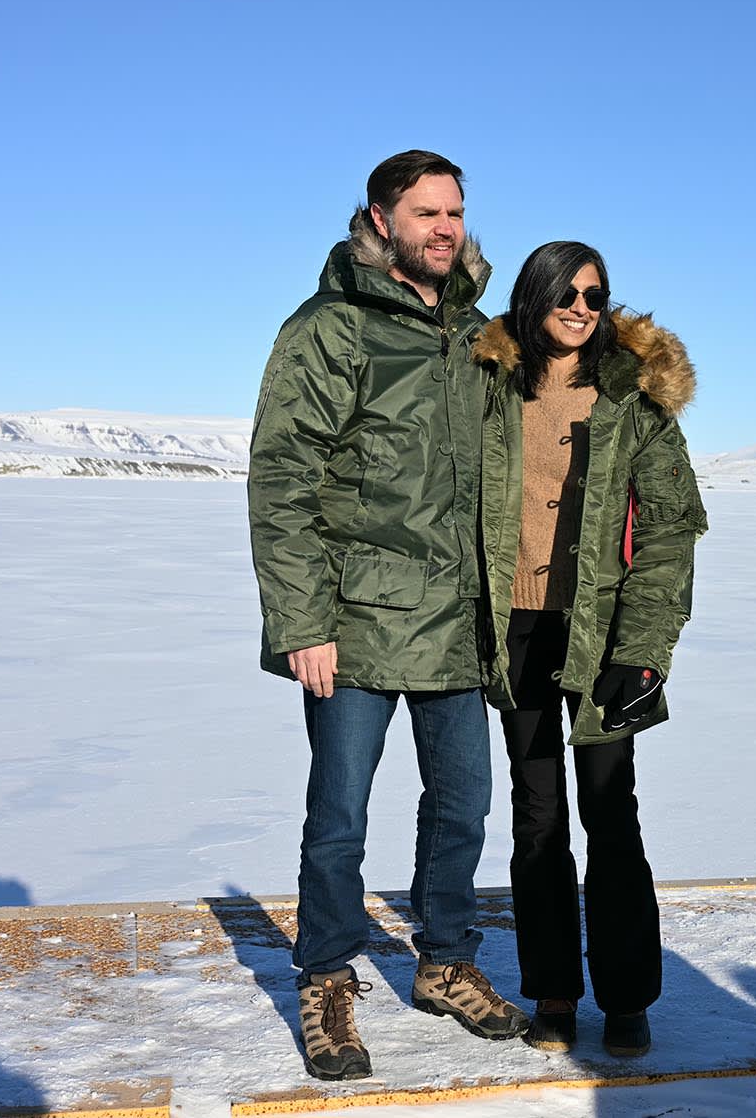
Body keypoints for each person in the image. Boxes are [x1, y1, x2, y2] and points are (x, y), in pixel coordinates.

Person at [248, 150, 529, 1081]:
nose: (445, 228)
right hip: (356, 623)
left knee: (464, 808)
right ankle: (326, 976)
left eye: (455, 212)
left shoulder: (478, 334)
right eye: (426, 213)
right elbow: (284, 478)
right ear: (380, 218)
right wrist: (301, 621)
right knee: (339, 816)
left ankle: (446, 962)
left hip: (455, 620)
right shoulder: (331, 330)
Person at [470, 241, 707, 1058]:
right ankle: (556, 994)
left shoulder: (632, 399)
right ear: (533, 297)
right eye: (565, 292)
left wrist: (643, 653)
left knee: (611, 814)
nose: (580, 306)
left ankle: (627, 996)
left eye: (595, 295)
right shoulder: (489, 389)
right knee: (537, 821)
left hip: (602, 636)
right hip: (516, 633)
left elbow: (673, 528)